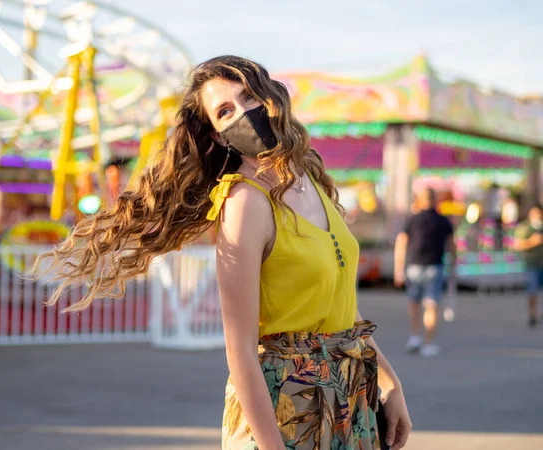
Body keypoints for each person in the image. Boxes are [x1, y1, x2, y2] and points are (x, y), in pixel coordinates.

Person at [32, 55, 411, 450]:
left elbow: (343, 309)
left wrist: (390, 384)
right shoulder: (245, 203)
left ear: (271, 96)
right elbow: (241, 350)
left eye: (248, 97)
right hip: (285, 408)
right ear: (218, 136)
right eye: (225, 111)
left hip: (350, 398)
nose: (245, 113)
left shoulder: (311, 179)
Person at [394, 187, 455, 358]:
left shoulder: (412, 219)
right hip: (435, 266)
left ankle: (415, 336)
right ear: (435, 200)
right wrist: (454, 266)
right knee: (431, 305)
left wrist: (398, 269)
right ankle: (429, 342)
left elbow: (401, 243)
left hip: (414, 266)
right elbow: (452, 245)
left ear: (420, 200)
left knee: (413, 302)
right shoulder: (443, 221)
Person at [514, 204, 543, 328]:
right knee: (532, 291)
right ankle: (532, 315)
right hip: (532, 264)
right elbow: (517, 245)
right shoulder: (524, 227)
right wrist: (532, 241)